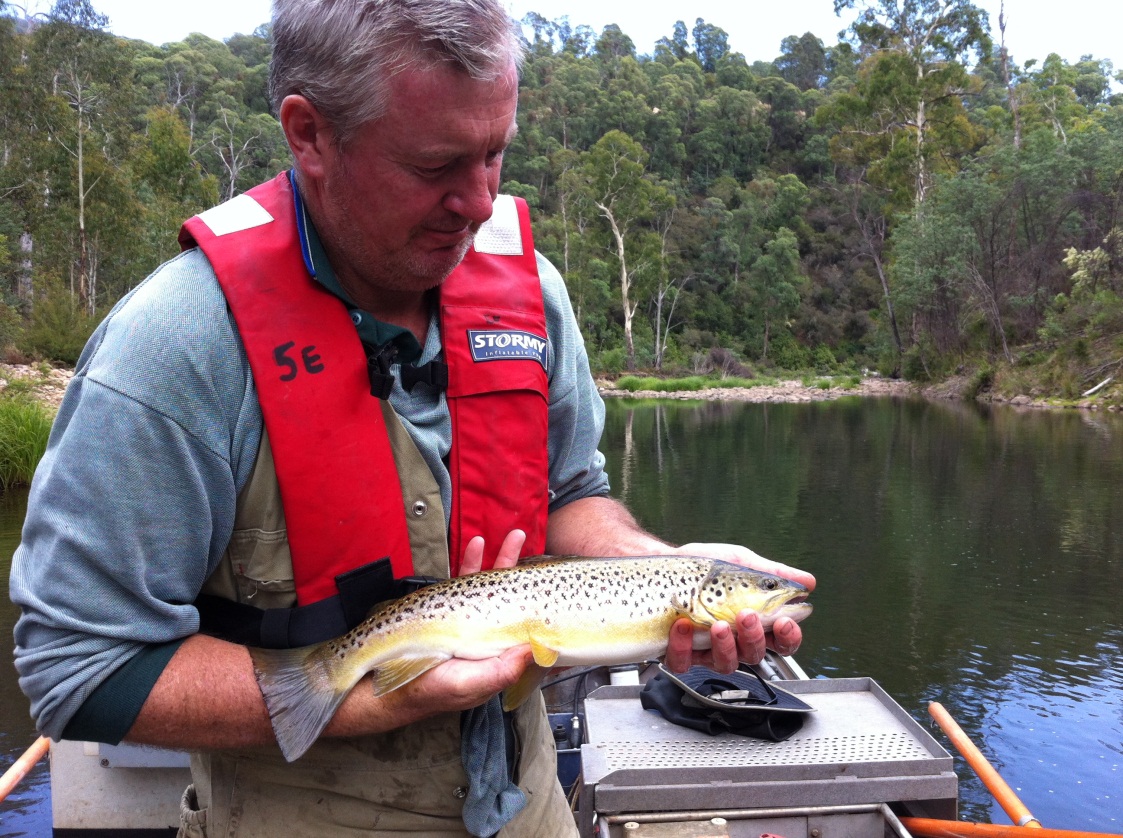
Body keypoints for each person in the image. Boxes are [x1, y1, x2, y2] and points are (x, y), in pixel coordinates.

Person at [9, 1, 815, 836]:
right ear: (310, 134)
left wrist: (660, 572)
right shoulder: (174, 348)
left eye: (495, 153)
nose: (479, 202)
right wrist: (372, 696)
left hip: (529, 807)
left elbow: (570, 494)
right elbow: (78, 670)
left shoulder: (531, 294)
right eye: (434, 165)